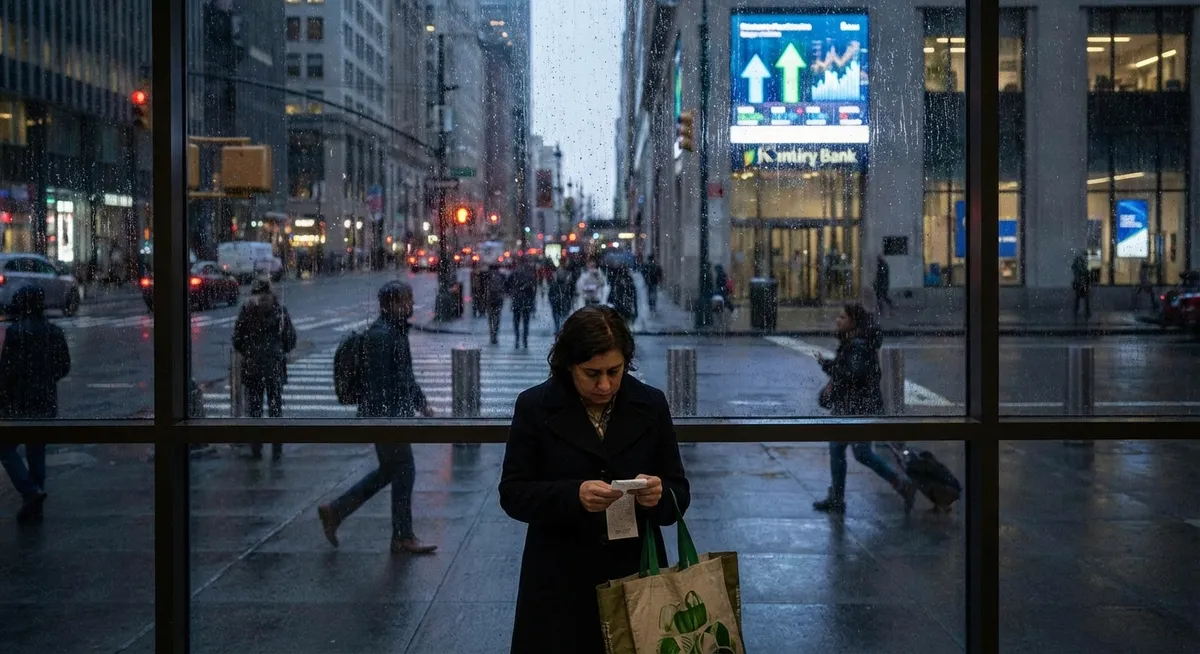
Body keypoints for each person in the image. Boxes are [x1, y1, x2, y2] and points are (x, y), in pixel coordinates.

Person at [499, 305, 689, 654]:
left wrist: (659, 495)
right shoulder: (535, 407)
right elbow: (513, 493)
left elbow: (678, 491)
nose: (605, 385)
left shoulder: (650, 404)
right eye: (592, 373)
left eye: (614, 372)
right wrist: (574, 495)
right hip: (559, 578)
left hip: (635, 574)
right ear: (568, 366)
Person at [318, 281, 438, 554]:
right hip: (385, 418)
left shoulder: (394, 331)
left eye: (409, 299)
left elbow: (404, 376)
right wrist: (390, 422)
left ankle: (335, 511)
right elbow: (380, 385)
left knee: (390, 471)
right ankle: (402, 536)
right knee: (404, 469)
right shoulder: (381, 336)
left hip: (391, 417)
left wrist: (421, 404)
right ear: (389, 305)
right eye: (404, 301)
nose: (410, 306)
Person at [812, 303, 915, 513]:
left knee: (861, 452)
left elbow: (853, 375)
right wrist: (831, 367)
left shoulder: (858, 345)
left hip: (858, 408)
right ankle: (837, 498)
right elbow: (850, 370)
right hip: (853, 406)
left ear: (853, 322)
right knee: (839, 448)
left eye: (842, 317)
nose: (837, 320)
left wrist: (831, 368)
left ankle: (901, 484)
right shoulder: (854, 343)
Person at [0, 286, 70, 524]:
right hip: (45, 398)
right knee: (36, 450)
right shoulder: (54, 332)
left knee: (6, 448)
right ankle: (35, 497)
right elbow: (64, 366)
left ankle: (30, 492)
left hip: (19, 400)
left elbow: (6, 370)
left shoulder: (15, 332)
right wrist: (47, 380)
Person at [232, 279, 297, 459]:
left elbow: (237, 340)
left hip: (252, 367)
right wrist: (278, 351)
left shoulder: (247, 312)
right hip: (274, 365)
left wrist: (250, 351)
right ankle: (277, 446)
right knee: (275, 406)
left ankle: (256, 446)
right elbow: (290, 338)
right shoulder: (279, 312)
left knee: (255, 408)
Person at [507, 259, 537, 349]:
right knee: (526, 321)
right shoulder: (530, 274)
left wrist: (511, 292)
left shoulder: (515, 272)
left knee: (516, 320)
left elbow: (508, 283)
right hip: (527, 300)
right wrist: (532, 299)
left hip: (517, 299)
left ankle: (517, 338)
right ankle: (525, 339)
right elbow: (533, 288)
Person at [482, 264, 507, 345]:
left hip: (490, 298)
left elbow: (483, 288)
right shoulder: (501, 275)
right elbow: (505, 287)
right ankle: (495, 334)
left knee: (490, 317)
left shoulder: (487, 275)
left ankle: (491, 334)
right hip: (499, 299)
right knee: (497, 317)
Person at [549, 262, 575, 333]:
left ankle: (559, 329)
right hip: (560, 302)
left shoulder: (564, 283)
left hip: (561, 302)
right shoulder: (564, 282)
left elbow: (571, 293)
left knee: (560, 317)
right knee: (560, 317)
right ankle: (560, 329)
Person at [1071, 251, 1092, 321]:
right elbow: (1085, 274)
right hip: (1082, 283)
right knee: (1085, 298)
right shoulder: (1082, 264)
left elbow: (1075, 271)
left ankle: (1076, 311)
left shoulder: (1077, 264)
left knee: (1078, 298)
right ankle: (1086, 311)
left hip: (1079, 283)